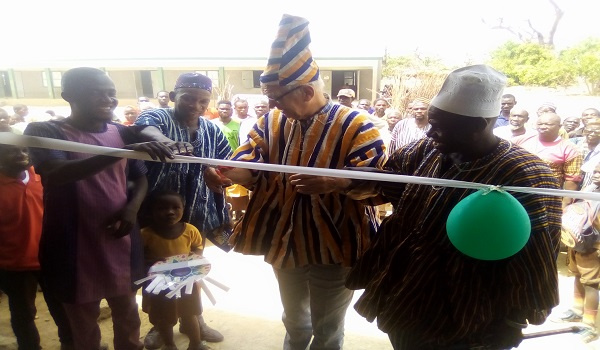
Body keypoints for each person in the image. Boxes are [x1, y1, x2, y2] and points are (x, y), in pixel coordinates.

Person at [345, 65, 562, 349]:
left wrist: (513, 321)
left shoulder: (526, 174)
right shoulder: (425, 151)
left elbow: (537, 253)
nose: (430, 133)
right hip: (406, 294)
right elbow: (388, 182)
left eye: (441, 126)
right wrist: (349, 181)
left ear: (478, 126)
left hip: (470, 310)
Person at [208, 15, 386, 350]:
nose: (272, 106)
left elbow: (378, 184)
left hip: (336, 244)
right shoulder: (271, 121)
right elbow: (251, 166)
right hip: (284, 239)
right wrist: (226, 173)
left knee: (328, 324)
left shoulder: (359, 125)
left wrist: (336, 183)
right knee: (294, 319)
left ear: (305, 90)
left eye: (278, 98)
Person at [23, 67, 178, 350]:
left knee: (128, 317)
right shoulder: (47, 131)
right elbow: (56, 173)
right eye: (98, 92)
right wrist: (119, 152)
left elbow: (139, 176)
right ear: (68, 96)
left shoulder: (119, 132)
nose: (108, 99)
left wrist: (131, 210)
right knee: (82, 325)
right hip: (73, 244)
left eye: (111, 93)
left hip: (120, 237)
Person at [134, 72, 229, 348]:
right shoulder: (159, 118)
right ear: (174, 97)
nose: (196, 105)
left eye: (203, 101)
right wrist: (165, 142)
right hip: (158, 213)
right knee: (156, 271)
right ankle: (159, 325)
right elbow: (144, 128)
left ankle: (193, 321)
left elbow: (222, 161)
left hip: (196, 211)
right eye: (188, 98)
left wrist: (215, 173)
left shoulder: (211, 130)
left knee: (192, 267)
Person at [0, 143, 73, 350]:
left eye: (24, 150)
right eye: (11, 152)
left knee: (62, 306)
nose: (21, 155)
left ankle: (72, 343)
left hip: (51, 258)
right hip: (14, 264)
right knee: (23, 312)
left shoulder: (43, 176)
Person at [141, 190, 210, 350]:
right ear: (152, 210)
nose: (170, 212)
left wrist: (193, 259)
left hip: (186, 282)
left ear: (183, 208)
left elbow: (197, 249)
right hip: (161, 285)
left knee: (190, 313)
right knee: (164, 318)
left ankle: (196, 343)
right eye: (162, 208)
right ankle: (169, 345)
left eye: (175, 207)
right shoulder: (146, 234)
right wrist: (155, 264)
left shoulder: (190, 230)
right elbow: (141, 257)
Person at [556, 162, 600, 343]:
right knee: (577, 276)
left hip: (594, 247)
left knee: (591, 284)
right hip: (578, 243)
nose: (596, 175)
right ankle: (576, 310)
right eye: (596, 171)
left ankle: (589, 324)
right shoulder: (590, 188)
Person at [513, 112, 582, 207]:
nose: (543, 127)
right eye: (540, 124)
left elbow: (572, 179)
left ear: (560, 126)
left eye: (548, 124)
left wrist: (566, 202)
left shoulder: (570, 148)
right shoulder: (520, 140)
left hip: (547, 197)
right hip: (517, 191)